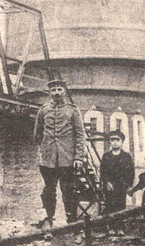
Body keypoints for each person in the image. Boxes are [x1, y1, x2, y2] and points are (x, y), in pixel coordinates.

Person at [34, 79, 87, 228]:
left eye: (59, 89)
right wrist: (43, 151)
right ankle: (48, 220)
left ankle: (72, 222)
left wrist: (78, 157)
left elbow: (80, 135)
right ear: (50, 92)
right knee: (48, 190)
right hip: (48, 160)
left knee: (68, 191)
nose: (57, 93)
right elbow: (37, 134)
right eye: (53, 90)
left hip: (67, 159)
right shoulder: (43, 110)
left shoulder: (73, 110)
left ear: (64, 91)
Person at [100, 129, 135, 213]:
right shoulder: (106, 156)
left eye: (117, 140)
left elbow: (131, 172)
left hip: (121, 187)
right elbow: (102, 171)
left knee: (120, 209)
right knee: (109, 208)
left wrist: (129, 185)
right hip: (109, 187)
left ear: (122, 142)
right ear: (110, 142)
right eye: (112, 140)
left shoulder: (126, 156)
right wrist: (107, 182)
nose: (115, 142)